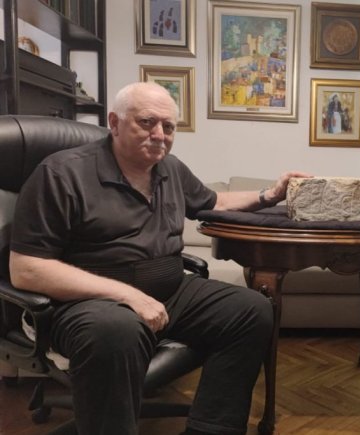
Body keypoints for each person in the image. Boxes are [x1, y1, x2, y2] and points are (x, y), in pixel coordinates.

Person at [9, 82, 310, 435]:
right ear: (115, 122)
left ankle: (211, 429)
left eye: (168, 127)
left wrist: (270, 194)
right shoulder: (61, 173)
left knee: (251, 310)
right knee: (116, 331)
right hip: (89, 300)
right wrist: (127, 294)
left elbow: (214, 202)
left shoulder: (170, 168)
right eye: (147, 122)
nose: (159, 135)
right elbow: (26, 269)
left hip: (169, 289)